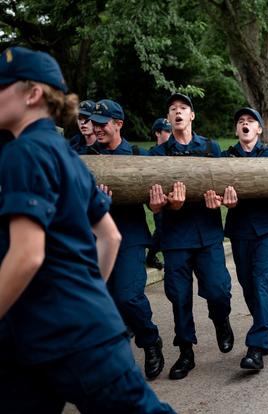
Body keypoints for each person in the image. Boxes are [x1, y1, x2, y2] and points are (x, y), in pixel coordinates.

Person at [0, 46, 173, 412]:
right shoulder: (68, 155)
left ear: (32, 94)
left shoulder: (25, 153)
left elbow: (27, 254)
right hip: (38, 335)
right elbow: (109, 236)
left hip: (72, 334)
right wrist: (90, 294)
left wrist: (78, 303)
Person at [149, 93, 233, 380]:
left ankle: (221, 320)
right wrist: (164, 204)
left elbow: (223, 187)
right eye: (172, 109)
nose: (177, 112)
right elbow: (152, 201)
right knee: (179, 297)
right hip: (175, 237)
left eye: (183, 108)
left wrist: (221, 200)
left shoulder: (210, 148)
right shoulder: (157, 155)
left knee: (219, 290)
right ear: (169, 118)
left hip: (207, 234)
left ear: (192, 116)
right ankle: (186, 351)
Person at [88, 99, 165, 380]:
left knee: (127, 297)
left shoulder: (137, 155)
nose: (96, 129)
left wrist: (156, 204)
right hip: (95, 238)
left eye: (102, 124)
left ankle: (150, 340)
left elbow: (154, 202)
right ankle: (117, 362)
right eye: (93, 124)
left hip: (130, 236)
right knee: (103, 303)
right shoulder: (85, 157)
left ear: (118, 124)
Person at [208, 107, 268, 370]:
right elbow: (215, 188)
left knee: (262, 281)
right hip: (240, 230)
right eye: (240, 121)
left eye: (250, 121)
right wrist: (222, 200)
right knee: (249, 286)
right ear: (237, 130)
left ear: (259, 129)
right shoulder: (227, 158)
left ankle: (257, 346)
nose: (245, 124)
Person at [145, 118, 172, 270]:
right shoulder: (150, 155)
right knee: (162, 230)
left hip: (175, 198)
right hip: (158, 200)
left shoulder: (175, 151)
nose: (171, 133)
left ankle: (150, 256)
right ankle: (152, 257)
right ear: (157, 133)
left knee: (162, 231)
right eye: (167, 131)